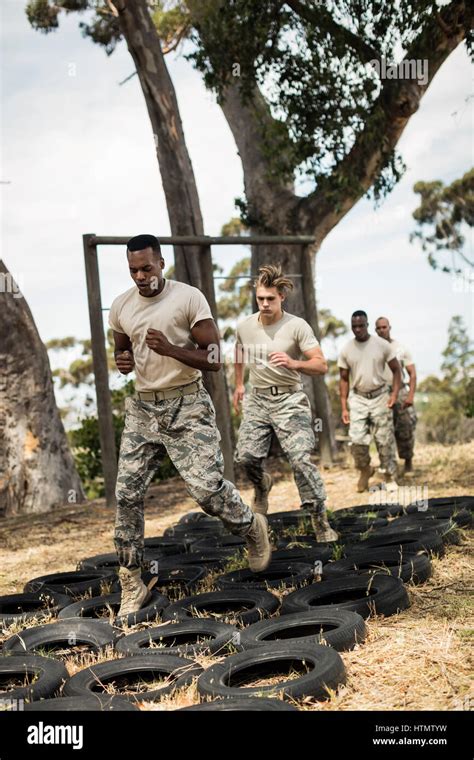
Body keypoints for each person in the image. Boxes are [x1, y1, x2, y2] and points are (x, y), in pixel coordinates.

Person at [109, 234, 271, 616]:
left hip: (187, 403)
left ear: (162, 263)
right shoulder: (120, 306)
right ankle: (131, 579)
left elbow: (214, 358)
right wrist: (123, 361)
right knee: (126, 496)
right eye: (133, 270)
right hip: (144, 409)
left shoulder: (188, 298)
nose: (140, 276)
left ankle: (251, 527)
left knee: (207, 491)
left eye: (147, 268)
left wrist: (170, 349)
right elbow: (121, 347)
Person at [233, 264, 338, 542]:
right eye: (260, 299)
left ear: (282, 297)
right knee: (246, 457)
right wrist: (240, 384)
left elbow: (321, 365)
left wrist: (294, 362)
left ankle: (320, 519)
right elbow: (239, 351)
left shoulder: (296, 326)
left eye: (270, 298)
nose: (265, 303)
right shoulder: (244, 326)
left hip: (290, 398)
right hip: (257, 399)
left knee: (300, 459)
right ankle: (262, 484)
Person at [338, 311, 402, 492]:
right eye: (354, 326)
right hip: (357, 398)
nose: (358, 329)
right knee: (357, 440)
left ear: (367, 325)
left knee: (384, 439)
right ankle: (365, 470)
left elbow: (397, 370)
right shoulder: (346, 349)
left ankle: (389, 476)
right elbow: (343, 379)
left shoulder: (382, 345)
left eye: (361, 325)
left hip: (380, 396)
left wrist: (394, 394)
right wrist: (344, 407)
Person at [375, 316, 417, 476]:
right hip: (380, 393)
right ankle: (386, 465)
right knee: (382, 431)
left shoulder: (400, 348)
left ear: (389, 328)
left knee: (404, 427)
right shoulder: (371, 348)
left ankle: (408, 462)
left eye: (384, 327)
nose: (381, 330)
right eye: (378, 328)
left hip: (399, 392)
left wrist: (410, 396)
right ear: (375, 330)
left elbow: (412, 373)